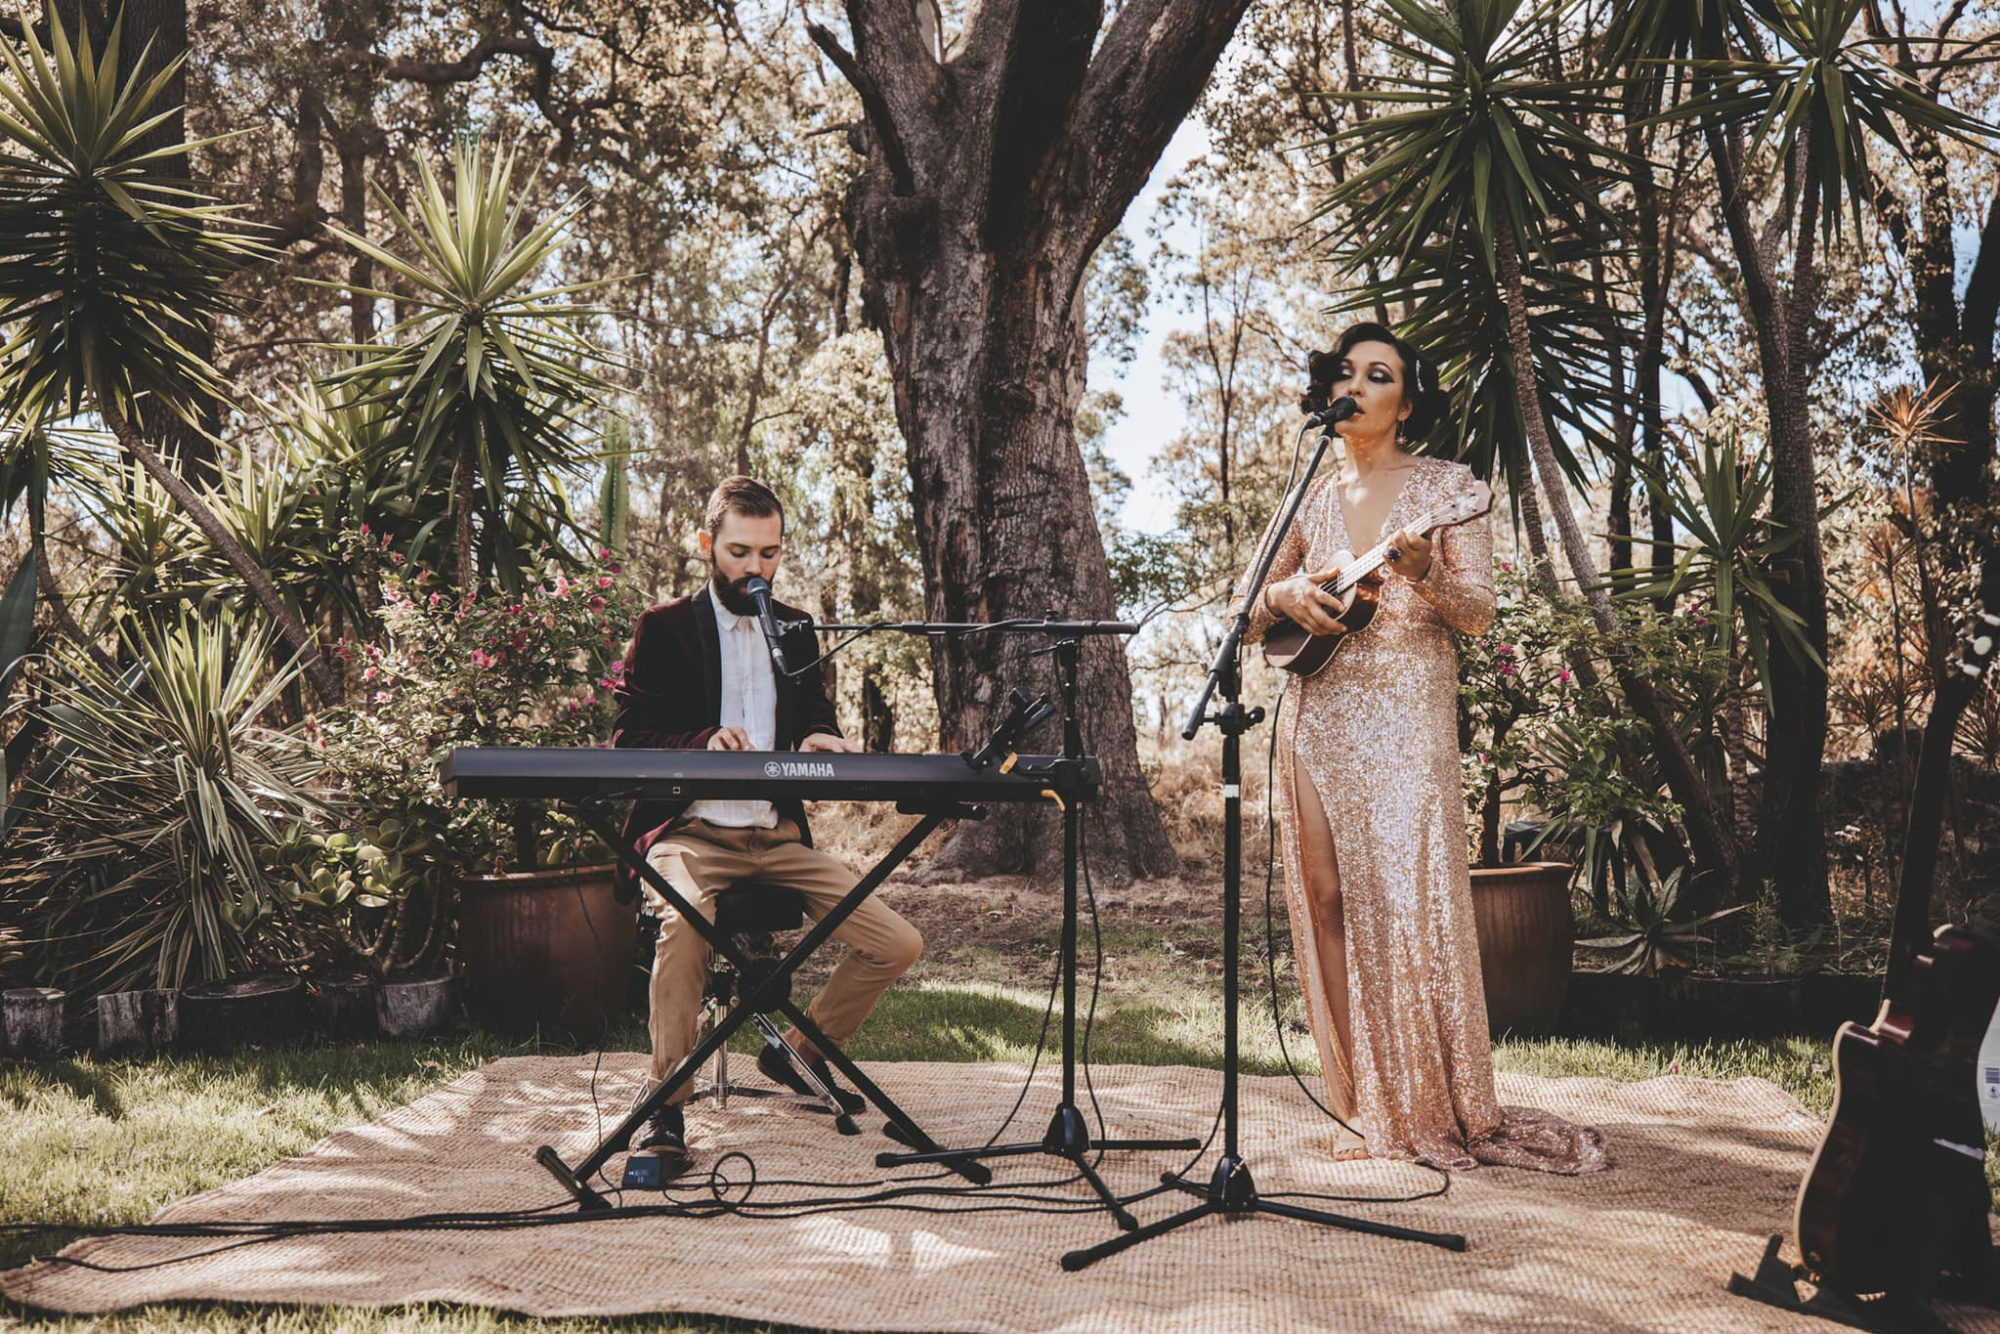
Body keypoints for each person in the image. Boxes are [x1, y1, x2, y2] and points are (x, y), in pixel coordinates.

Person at [1231, 323, 1606, 1174]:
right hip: (1316, 711)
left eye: (1379, 374)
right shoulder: (1310, 497)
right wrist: (1289, 592)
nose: (1355, 385)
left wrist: (1423, 572)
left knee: (1404, 907)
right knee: (1323, 901)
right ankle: (1359, 1100)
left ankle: (1428, 1103)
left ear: (1407, 400)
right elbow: (1242, 615)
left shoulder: (1448, 489)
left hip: (1406, 716)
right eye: (1345, 372)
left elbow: (1478, 613)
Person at [612, 475, 923, 1172]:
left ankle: (798, 1052)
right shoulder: (662, 628)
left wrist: (818, 736)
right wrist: (702, 741)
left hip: (777, 837)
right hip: (691, 835)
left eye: (770, 554)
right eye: (740, 552)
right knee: (682, 921)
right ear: (706, 546)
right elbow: (630, 737)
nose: (756, 569)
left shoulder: (796, 627)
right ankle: (666, 1106)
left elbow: (811, 711)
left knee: (896, 942)